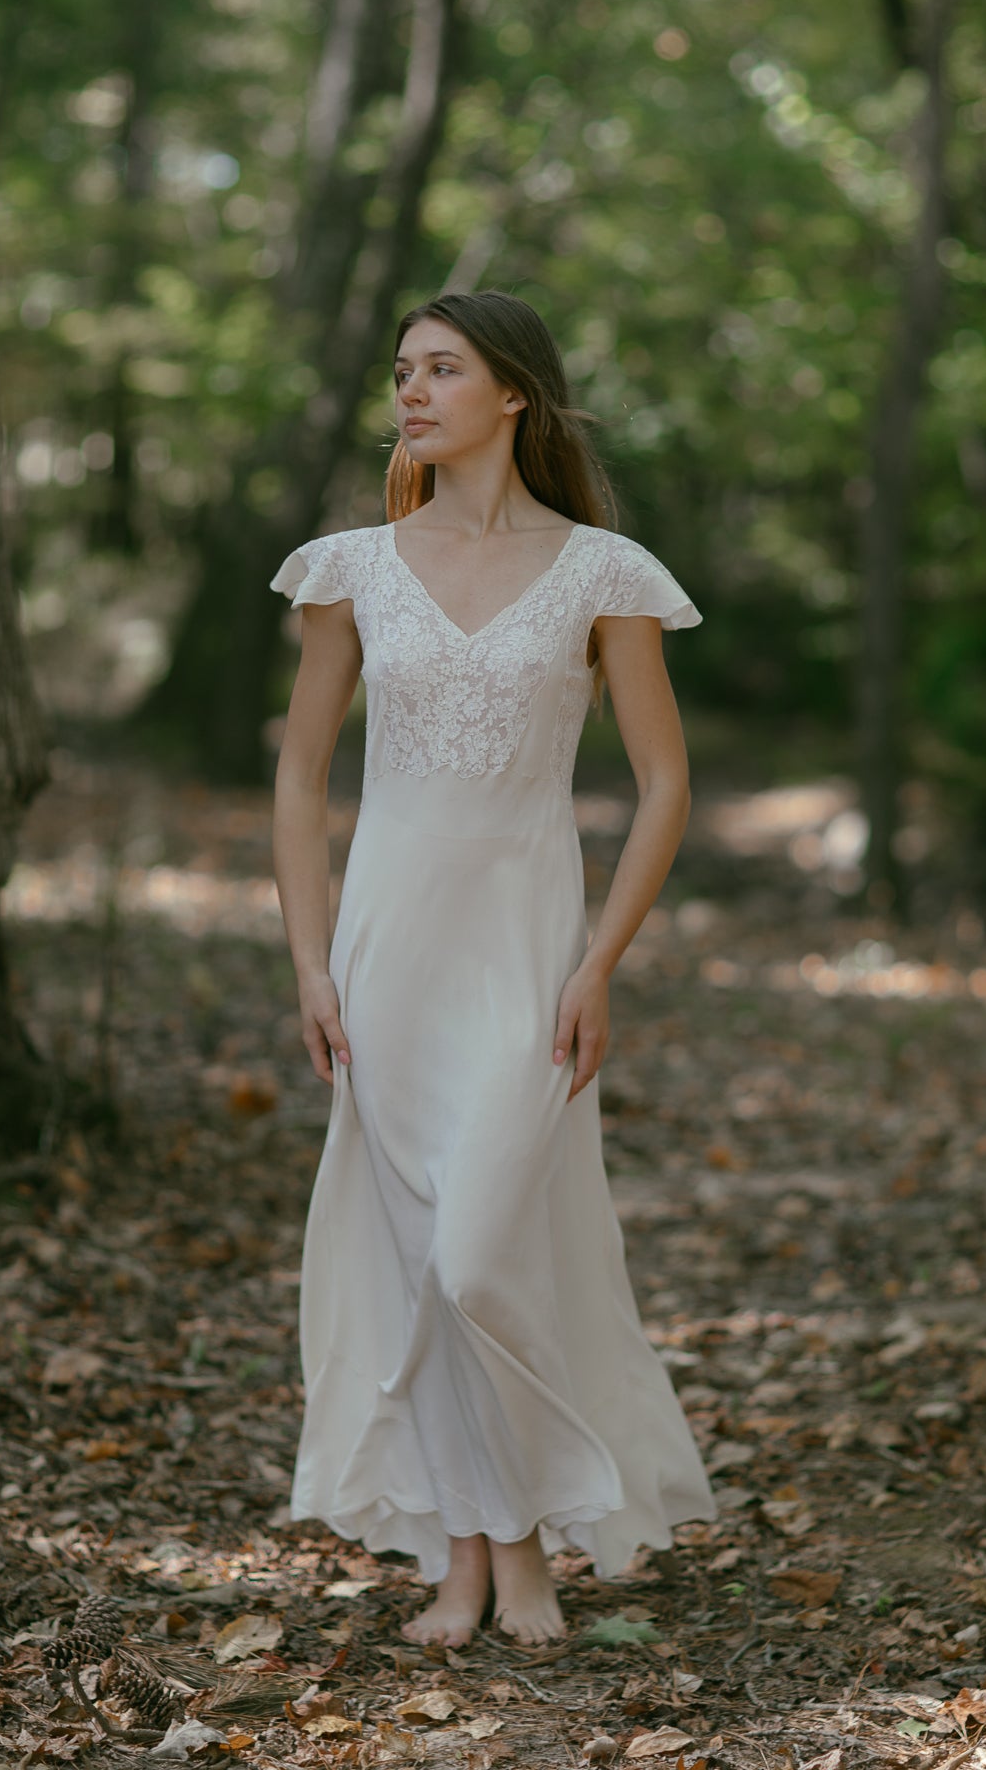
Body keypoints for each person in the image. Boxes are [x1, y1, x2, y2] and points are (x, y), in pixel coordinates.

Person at [270, 290, 713, 1649]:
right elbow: (296, 775)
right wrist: (308, 963)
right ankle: (476, 1557)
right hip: (385, 955)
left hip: (526, 954)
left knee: (482, 1260)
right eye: (402, 370)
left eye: (442, 369)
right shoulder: (350, 566)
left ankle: (521, 1532)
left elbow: (662, 784)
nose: (411, 391)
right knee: (420, 1268)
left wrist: (598, 965)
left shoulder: (602, 573)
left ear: (511, 391)